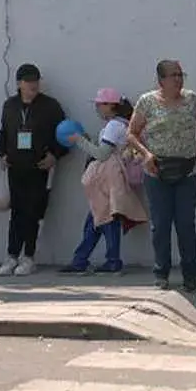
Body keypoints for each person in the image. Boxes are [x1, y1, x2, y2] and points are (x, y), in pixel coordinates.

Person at [129, 58, 196, 292]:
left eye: (180, 75)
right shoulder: (147, 102)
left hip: (187, 171)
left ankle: (190, 274)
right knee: (160, 224)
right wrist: (146, 154)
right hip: (157, 170)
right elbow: (132, 134)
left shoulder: (191, 100)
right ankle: (161, 273)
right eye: (173, 75)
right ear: (161, 80)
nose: (178, 80)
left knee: (185, 223)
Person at [61, 89, 147, 275]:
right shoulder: (121, 124)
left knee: (104, 219)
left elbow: (102, 154)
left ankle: (105, 261)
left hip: (108, 179)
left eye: (100, 104)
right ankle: (84, 260)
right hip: (112, 178)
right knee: (100, 219)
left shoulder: (114, 126)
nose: (97, 108)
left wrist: (79, 141)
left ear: (111, 106)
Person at [0, 63, 68, 276]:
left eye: (35, 80)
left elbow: (65, 135)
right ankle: (12, 255)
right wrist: (2, 154)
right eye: (28, 81)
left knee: (34, 212)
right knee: (16, 212)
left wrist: (54, 155)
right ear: (19, 83)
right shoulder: (10, 105)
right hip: (16, 166)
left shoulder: (50, 106)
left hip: (40, 167)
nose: (33, 85)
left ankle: (29, 256)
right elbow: (4, 132)